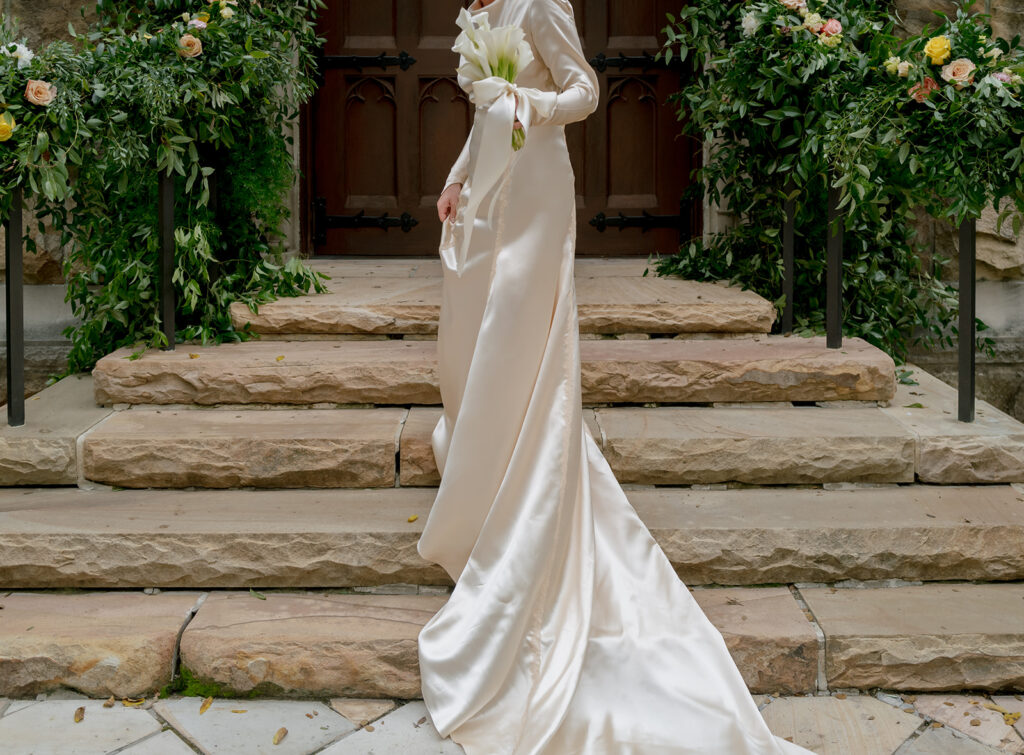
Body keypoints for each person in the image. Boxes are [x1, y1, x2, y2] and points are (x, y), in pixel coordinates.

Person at [417, 1, 818, 752]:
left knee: (519, 341)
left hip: (535, 187)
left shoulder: (540, 4)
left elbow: (584, 91)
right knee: (476, 349)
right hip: (489, 188)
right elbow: (482, 115)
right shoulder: (480, 9)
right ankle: (488, 483)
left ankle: (528, 501)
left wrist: (526, 103)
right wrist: (458, 173)